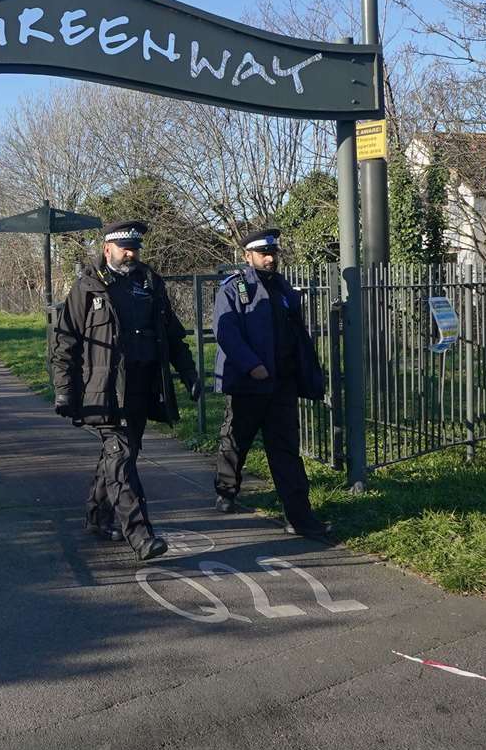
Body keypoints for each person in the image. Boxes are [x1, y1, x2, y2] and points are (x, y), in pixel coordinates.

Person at [50, 219, 201, 562]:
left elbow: (172, 335)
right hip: (103, 390)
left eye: (135, 247)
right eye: (124, 247)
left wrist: (188, 372)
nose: (131, 253)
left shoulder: (150, 284)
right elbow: (65, 342)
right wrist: (64, 391)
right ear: (107, 250)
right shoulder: (88, 287)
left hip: (142, 387)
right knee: (120, 459)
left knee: (122, 454)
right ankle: (141, 536)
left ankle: (95, 515)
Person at [211, 228, 331, 539]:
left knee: (286, 451)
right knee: (236, 440)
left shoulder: (283, 288)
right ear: (246, 256)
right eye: (263, 253)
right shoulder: (233, 288)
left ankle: (301, 518)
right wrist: (253, 366)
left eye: (273, 253)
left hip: (281, 384)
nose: (269, 258)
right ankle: (226, 490)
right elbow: (227, 334)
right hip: (248, 384)